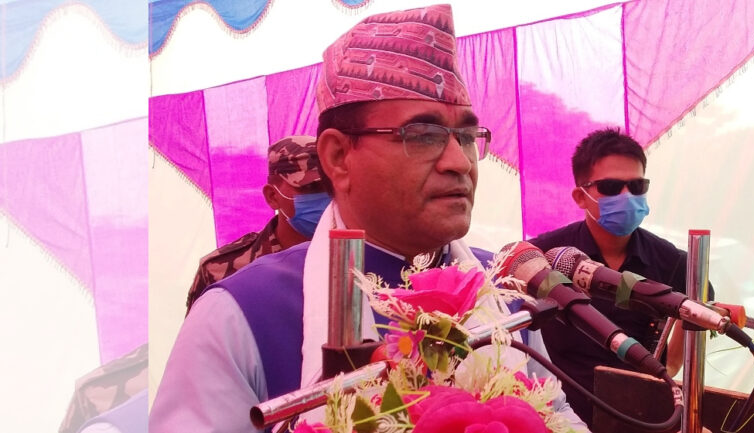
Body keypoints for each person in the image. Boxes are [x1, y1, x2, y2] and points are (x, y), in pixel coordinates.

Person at [151, 5, 586, 432]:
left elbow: (556, 414)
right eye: (424, 135)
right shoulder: (243, 313)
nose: (459, 162)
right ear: (339, 157)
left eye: (467, 136)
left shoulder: (501, 292)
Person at [529, 128, 714, 424]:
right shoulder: (543, 255)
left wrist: (667, 372)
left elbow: (681, 350)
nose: (627, 197)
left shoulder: (675, 264)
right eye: (612, 187)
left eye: (637, 186)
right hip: (558, 418)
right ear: (580, 196)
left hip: (641, 420)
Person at [184, 136, 330, 312]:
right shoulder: (221, 271)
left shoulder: (352, 258)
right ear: (272, 196)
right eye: (311, 188)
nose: (326, 197)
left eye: (331, 187)